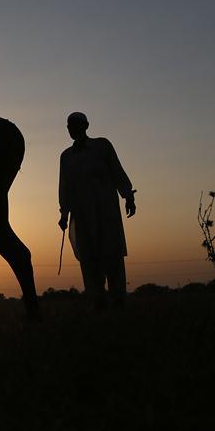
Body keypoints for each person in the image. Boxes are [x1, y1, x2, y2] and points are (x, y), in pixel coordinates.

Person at [58, 111, 136, 308]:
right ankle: (97, 304)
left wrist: (128, 196)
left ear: (86, 126)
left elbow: (117, 171)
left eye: (76, 124)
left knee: (112, 257)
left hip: (106, 212)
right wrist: (64, 214)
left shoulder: (102, 146)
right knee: (89, 260)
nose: (72, 129)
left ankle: (118, 303)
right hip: (81, 216)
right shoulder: (66, 157)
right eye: (70, 126)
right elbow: (64, 186)